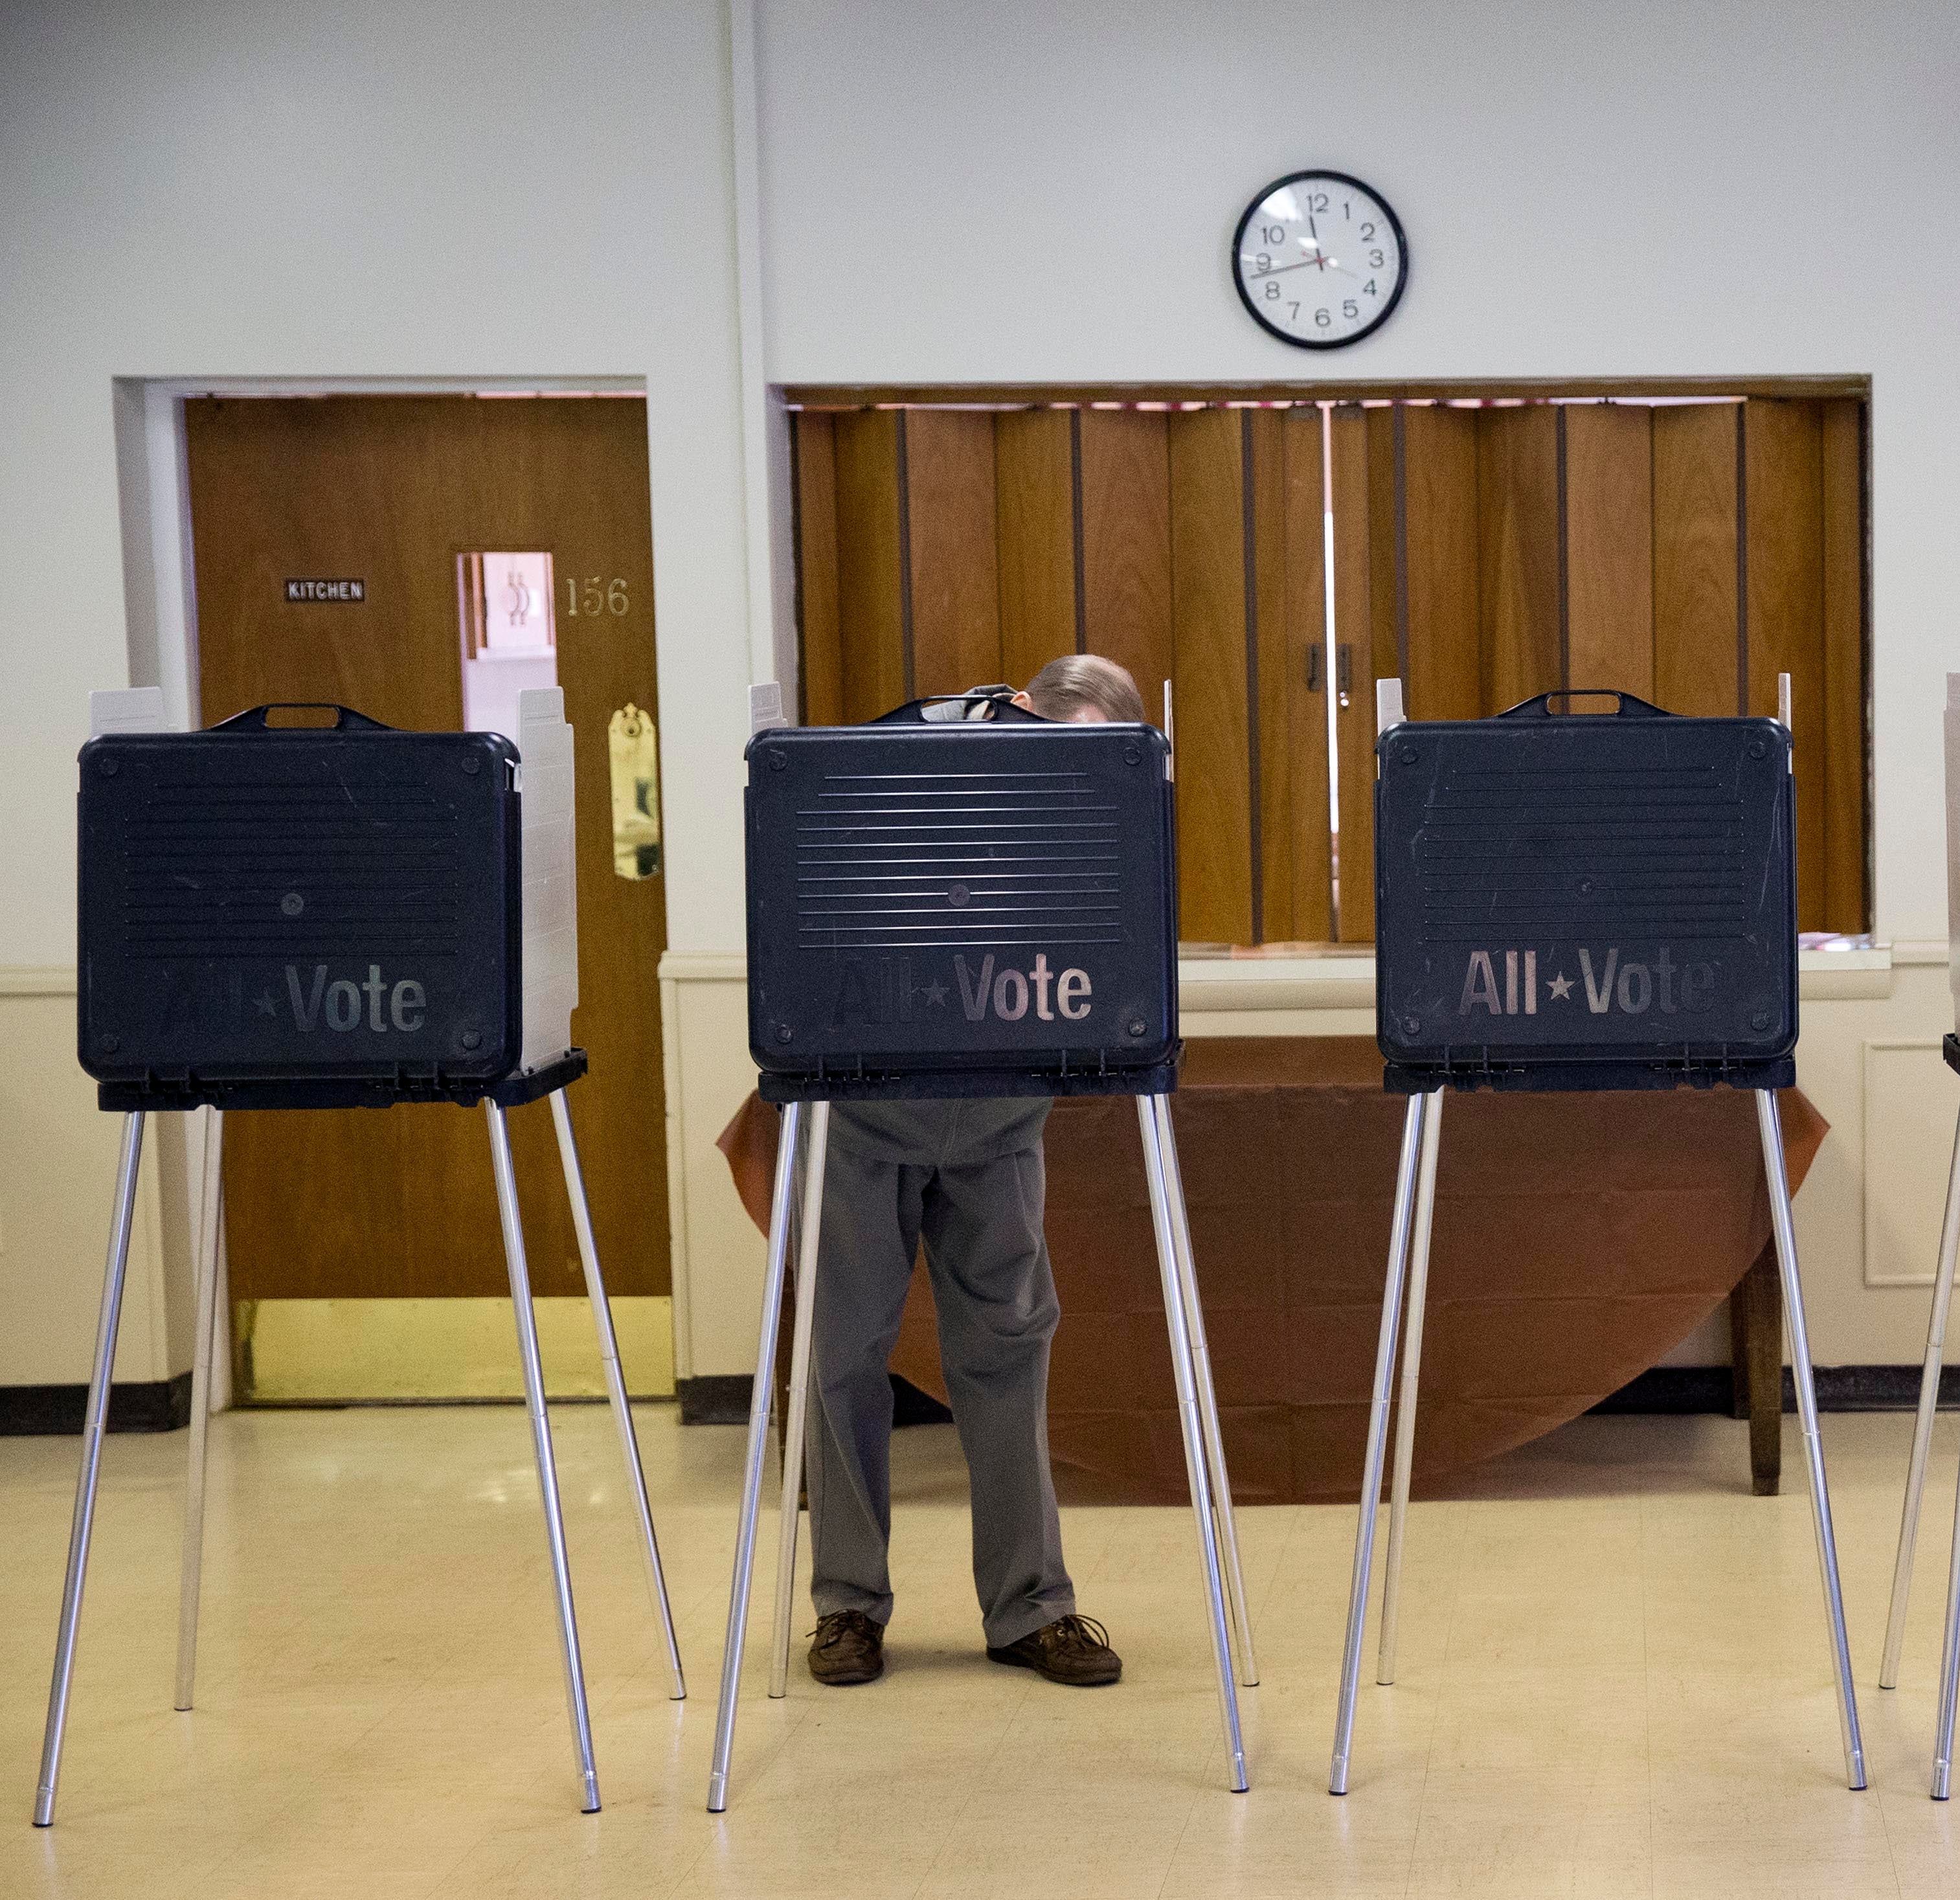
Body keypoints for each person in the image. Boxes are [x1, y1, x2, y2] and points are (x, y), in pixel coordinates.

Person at [804, 653, 1148, 1690]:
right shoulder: (910, 761)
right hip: (869, 1107)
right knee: (845, 1354)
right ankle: (847, 1607)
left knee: (1009, 1349)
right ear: (1018, 710)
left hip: (999, 1113)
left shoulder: (1094, 809)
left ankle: (1029, 1607)